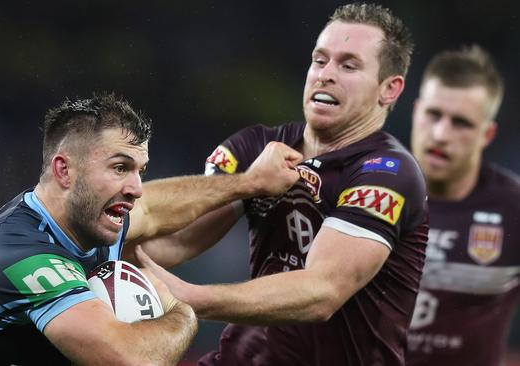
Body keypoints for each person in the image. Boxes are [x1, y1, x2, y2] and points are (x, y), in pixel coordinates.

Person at [132, 3, 428, 365]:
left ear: (390, 89)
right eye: (320, 60)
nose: (325, 75)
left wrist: (189, 296)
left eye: (348, 65)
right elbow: (174, 239)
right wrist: (248, 183)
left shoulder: (388, 172)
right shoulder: (256, 147)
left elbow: (321, 291)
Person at [0, 92, 304, 366]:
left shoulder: (90, 216)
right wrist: (180, 307)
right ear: (65, 170)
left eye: (139, 170)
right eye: (119, 167)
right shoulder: (20, 256)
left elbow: (159, 211)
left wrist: (249, 185)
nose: (136, 187)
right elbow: (129, 359)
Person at [405, 45, 520, 366]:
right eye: (433, 115)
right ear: (416, 112)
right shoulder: (363, 189)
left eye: (461, 123)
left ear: (487, 134)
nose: (441, 134)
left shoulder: (513, 210)